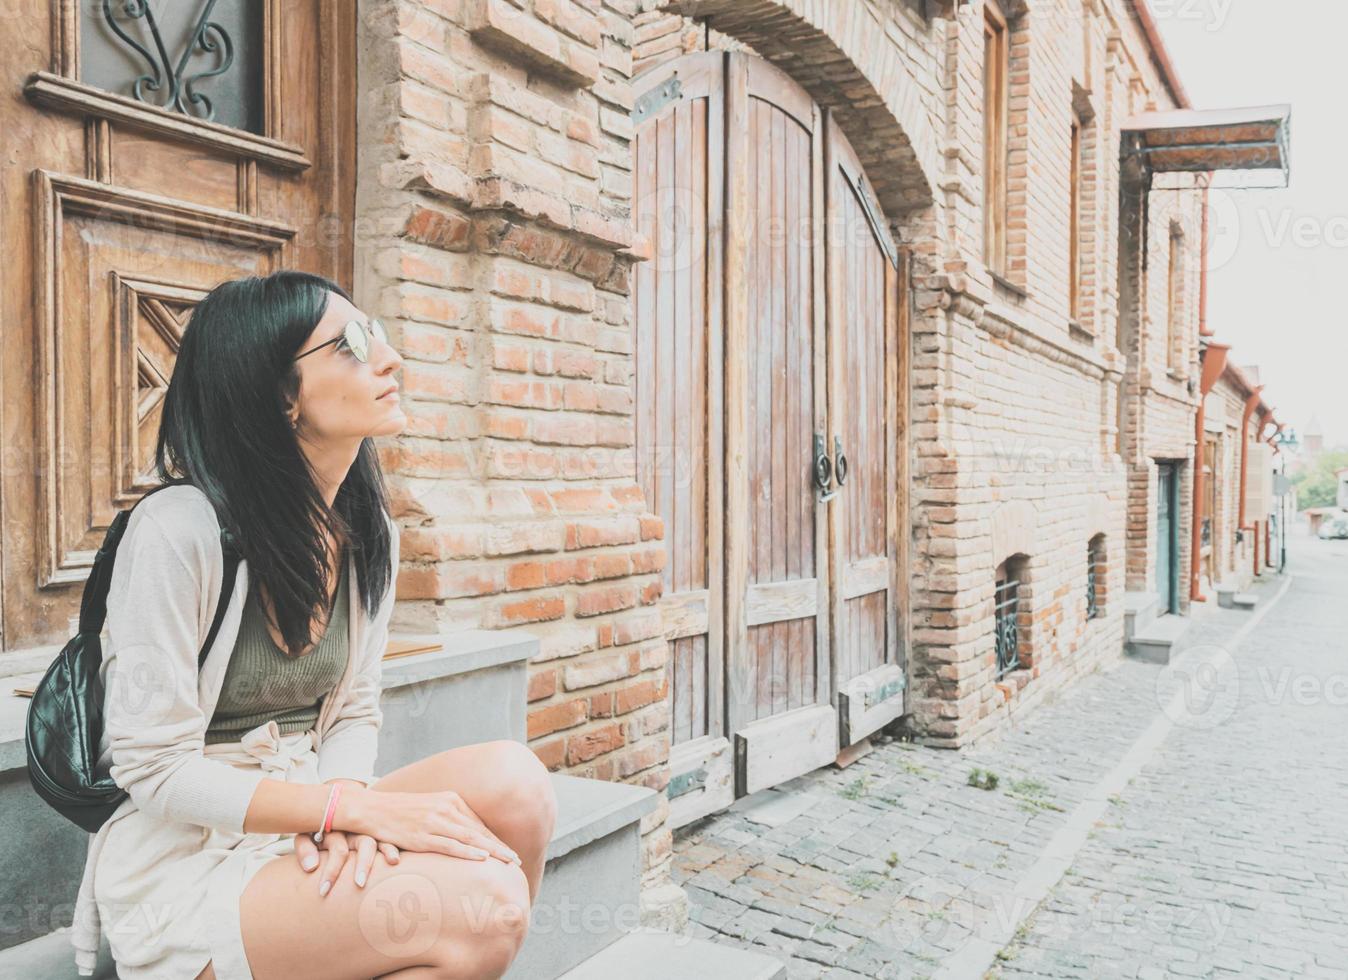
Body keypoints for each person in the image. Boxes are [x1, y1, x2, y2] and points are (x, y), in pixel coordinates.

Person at [69, 270, 558, 980]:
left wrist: (346, 809)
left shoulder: (369, 533)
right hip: (187, 853)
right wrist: (335, 812)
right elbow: (154, 768)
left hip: (305, 805)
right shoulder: (179, 530)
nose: (389, 359)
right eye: (353, 344)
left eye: (381, 335)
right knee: (487, 908)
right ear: (281, 395)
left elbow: (353, 711)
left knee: (518, 785)